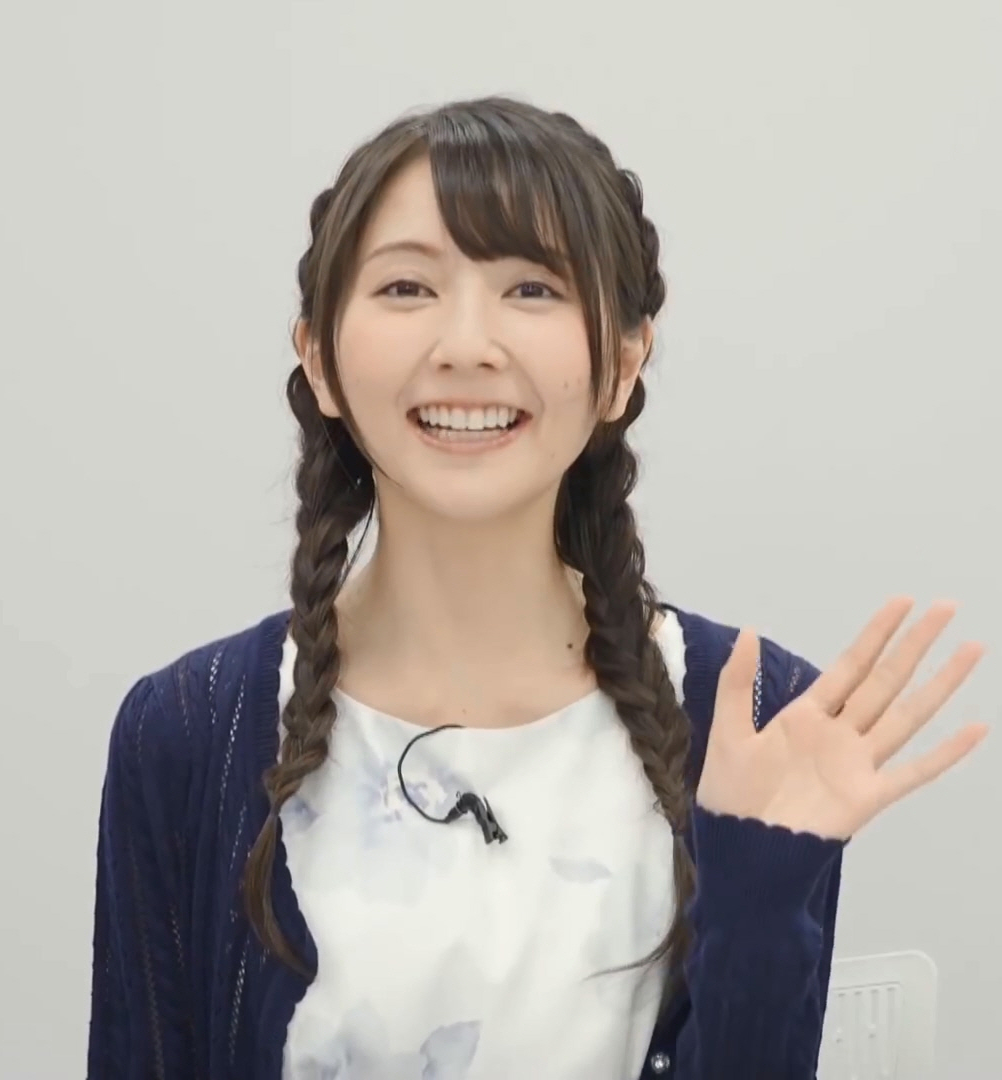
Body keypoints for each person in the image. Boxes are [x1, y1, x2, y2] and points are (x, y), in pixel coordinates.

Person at [86, 97, 987, 1080]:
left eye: (530, 288)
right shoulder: (191, 730)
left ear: (623, 364)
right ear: (319, 359)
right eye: (405, 287)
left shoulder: (753, 718)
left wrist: (761, 915)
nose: (466, 345)